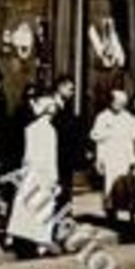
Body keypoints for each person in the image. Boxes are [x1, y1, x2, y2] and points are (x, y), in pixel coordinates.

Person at [5, 91, 63, 257]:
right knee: (45, 207)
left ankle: (13, 235)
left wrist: (25, 170)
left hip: (30, 171)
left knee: (24, 203)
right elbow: (51, 157)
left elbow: (27, 156)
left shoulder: (30, 129)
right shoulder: (50, 131)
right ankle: (42, 241)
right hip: (44, 173)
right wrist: (54, 178)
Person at [91, 89, 135, 239]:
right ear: (111, 101)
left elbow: (133, 141)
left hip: (125, 157)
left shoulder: (128, 118)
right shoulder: (102, 117)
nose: (119, 105)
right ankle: (110, 217)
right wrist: (99, 160)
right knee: (109, 188)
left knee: (128, 188)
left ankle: (131, 218)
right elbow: (98, 139)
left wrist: (134, 161)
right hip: (110, 157)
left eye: (122, 103)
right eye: (116, 102)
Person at [50, 76, 79, 209]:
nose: (72, 93)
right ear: (60, 87)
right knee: (55, 187)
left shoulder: (67, 107)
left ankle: (64, 217)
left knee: (65, 187)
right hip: (53, 153)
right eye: (70, 89)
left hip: (66, 155)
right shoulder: (49, 105)